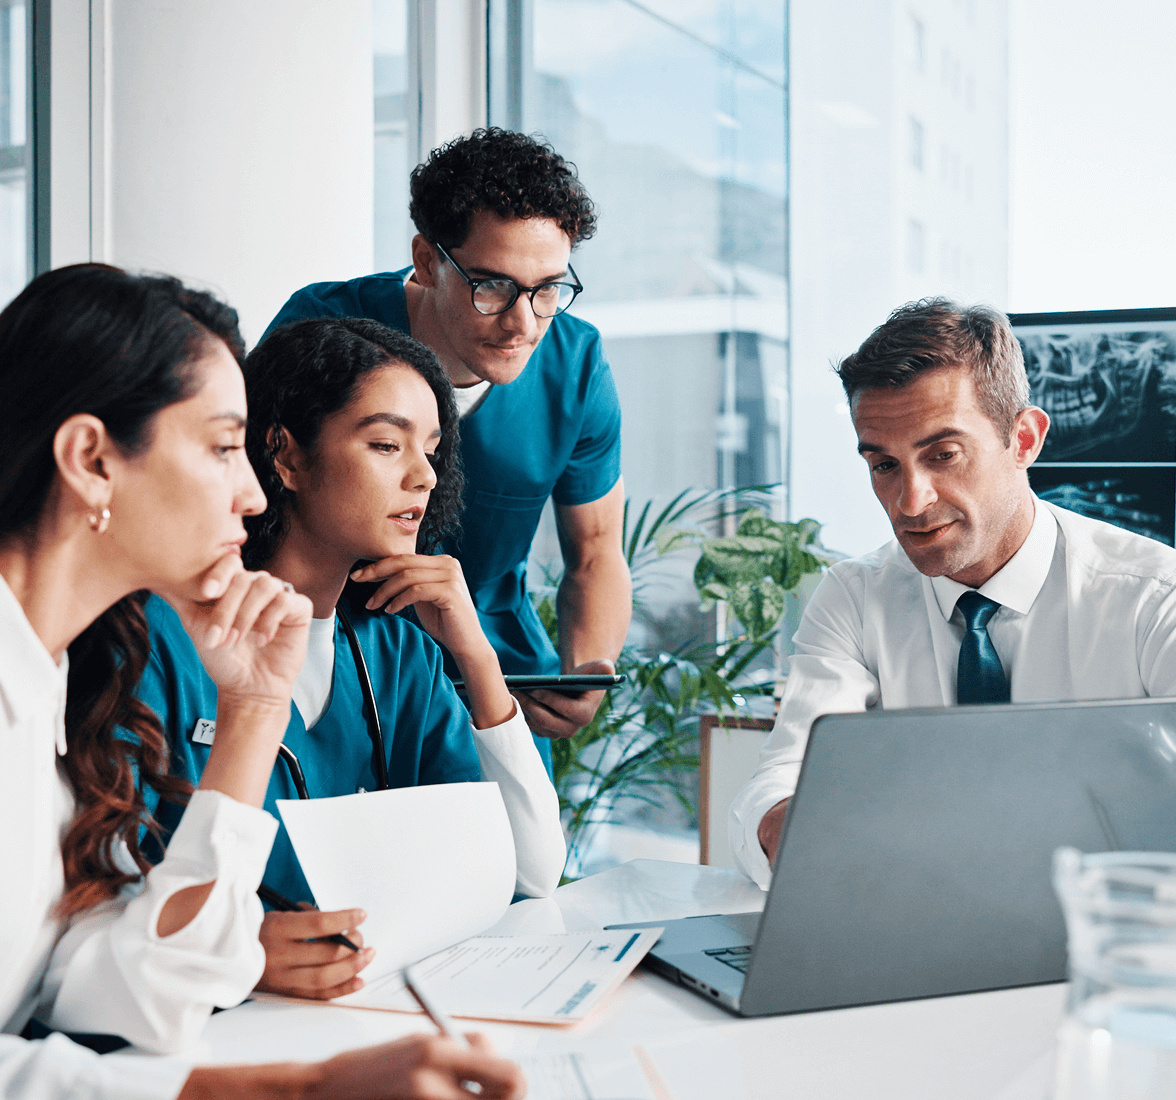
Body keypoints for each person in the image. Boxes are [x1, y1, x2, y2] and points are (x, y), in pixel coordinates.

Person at [0, 263, 524, 1099]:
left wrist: (252, 713)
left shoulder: (45, 690)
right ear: (92, 461)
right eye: (219, 448)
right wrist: (302, 1090)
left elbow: (144, 990)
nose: (249, 495)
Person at [140, 316, 566, 1001]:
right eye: (385, 444)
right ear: (285, 456)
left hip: (372, 1013)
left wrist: (477, 657)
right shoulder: (163, 636)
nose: (422, 476)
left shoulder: (400, 652)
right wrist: (238, 952)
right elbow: (97, 891)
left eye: (431, 449)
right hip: (206, 1027)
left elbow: (530, 872)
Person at [731, 298, 1176, 889]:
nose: (910, 502)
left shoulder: (1153, 599)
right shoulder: (854, 597)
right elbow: (784, 778)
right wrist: (788, 825)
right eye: (884, 465)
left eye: (943, 455)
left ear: (1024, 438)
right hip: (913, 923)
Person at [263, 128, 632, 765]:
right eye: (492, 286)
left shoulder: (575, 364)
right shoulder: (323, 333)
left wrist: (589, 666)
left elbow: (597, 549)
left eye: (548, 289)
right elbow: (244, 502)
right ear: (428, 260)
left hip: (494, 666)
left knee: (521, 855)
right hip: (341, 656)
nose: (524, 324)